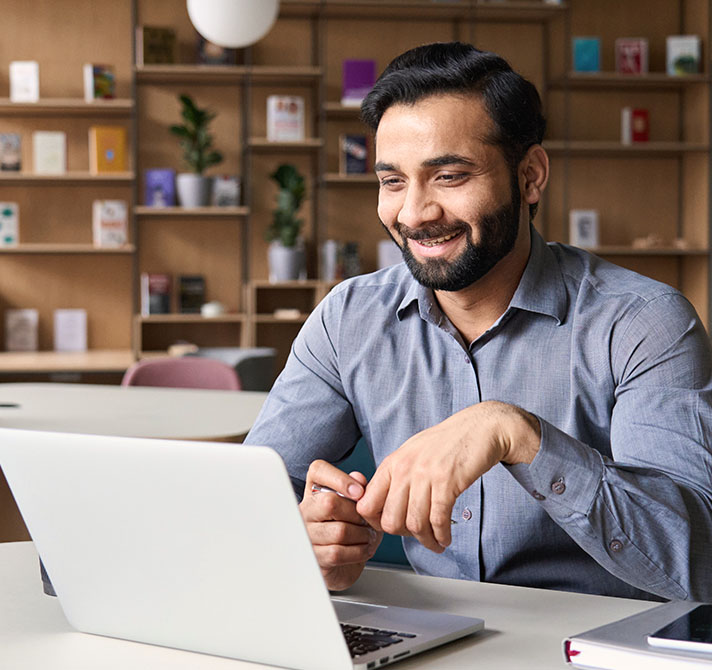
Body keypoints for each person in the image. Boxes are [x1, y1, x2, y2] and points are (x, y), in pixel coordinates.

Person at [244, 42, 712, 602]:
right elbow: (246, 504)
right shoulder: (350, 318)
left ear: (530, 176)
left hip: (595, 646)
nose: (414, 213)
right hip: (432, 636)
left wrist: (518, 433)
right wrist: (306, 543)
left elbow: (696, 564)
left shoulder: (644, 323)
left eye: (449, 176)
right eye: (393, 181)